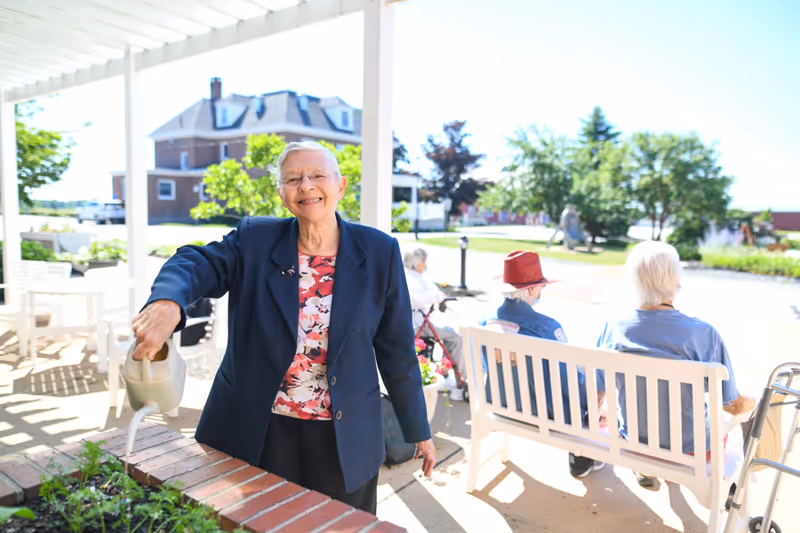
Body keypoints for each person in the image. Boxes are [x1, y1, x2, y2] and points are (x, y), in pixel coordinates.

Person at [130, 141, 435, 514]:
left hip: (343, 436)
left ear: (340, 186)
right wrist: (168, 301)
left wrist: (417, 427)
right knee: (248, 521)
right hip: (257, 428)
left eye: (318, 175)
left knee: (336, 525)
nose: (306, 185)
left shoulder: (380, 250)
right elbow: (196, 262)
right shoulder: (254, 239)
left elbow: (396, 347)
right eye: (294, 178)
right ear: (281, 193)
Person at [597, 240, 755, 488]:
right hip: (691, 450)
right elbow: (732, 405)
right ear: (674, 280)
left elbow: (598, 385)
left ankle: (646, 468)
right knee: (747, 411)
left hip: (633, 441)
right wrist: (752, 402)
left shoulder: (614, 327)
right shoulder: (702, 333)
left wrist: (597, 413)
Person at [479, 251, 606, 478]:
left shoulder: (483, 322)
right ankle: (581, 456)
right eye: (541, 287)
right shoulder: (547, 328)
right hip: (548, 415)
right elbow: (567, 383)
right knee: (591, 386)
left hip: (500, 406)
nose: (541, 291)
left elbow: (486, 367)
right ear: (530, 290)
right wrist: (594, 398)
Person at [403, 248, 467, 401]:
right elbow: (421, 297)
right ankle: (459, 379)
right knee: (454, 336)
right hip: (417, 324)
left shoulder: (406, 275)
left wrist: (438, 297)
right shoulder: (414, 280)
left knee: (447, 332)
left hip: (409, 323)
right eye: (424, 261)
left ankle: (444, 373)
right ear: (418, 263)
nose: (425, 264)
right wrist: (439, 298)